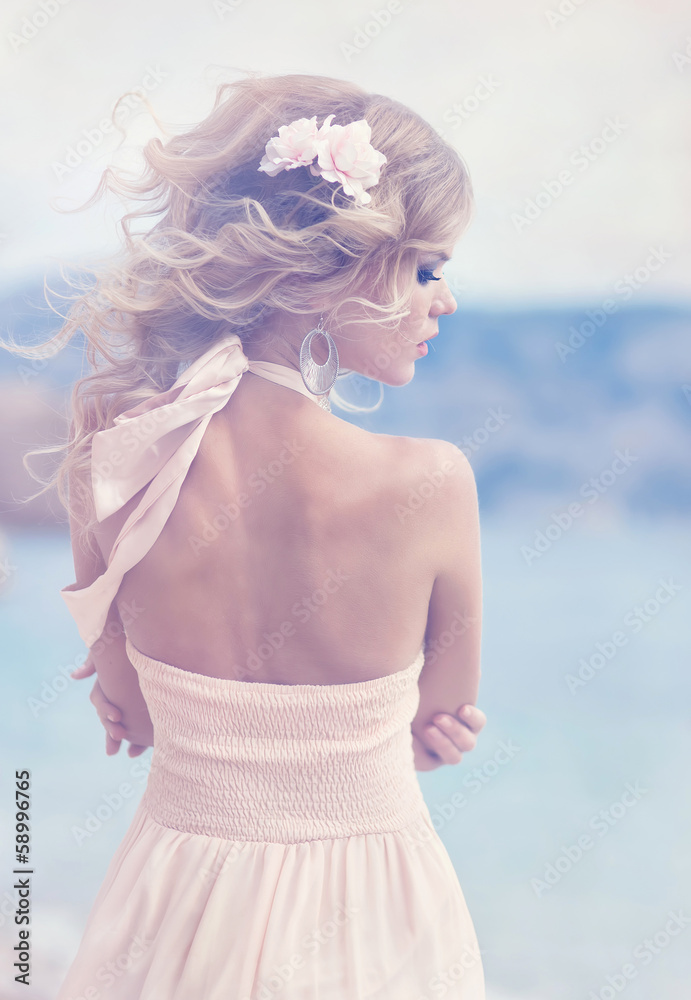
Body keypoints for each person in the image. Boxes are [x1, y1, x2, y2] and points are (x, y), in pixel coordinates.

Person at [30, 71, 487, 998]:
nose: (444, 301)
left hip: (173, 905)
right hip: (369, 913)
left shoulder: (118, 452)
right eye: (427, 269)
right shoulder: (429, 483)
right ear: (337, 271)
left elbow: (138, 716)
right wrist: (417, 744)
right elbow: (431, 727)